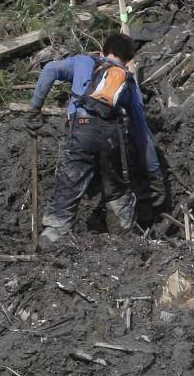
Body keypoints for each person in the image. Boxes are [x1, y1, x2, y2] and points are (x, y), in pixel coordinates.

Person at [26, 33, 166, 245]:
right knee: (117, 187)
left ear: (102, 52)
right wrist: (155, 173)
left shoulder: (84, 61)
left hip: (81, 129)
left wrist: (35, 109)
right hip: (113, 136)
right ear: (128, 61)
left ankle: (53, 235)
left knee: (71, 181)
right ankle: (123, 238)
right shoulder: (127, 81)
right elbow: (141, 131)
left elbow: (50, 69)